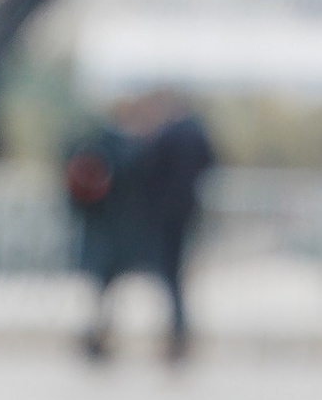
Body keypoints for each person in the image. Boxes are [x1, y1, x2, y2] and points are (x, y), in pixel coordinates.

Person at [70, 90, 217, 361]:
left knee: (118, 282)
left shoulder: (115, 142)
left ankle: (104, 336)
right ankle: (173, 338)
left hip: (133, 224)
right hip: (147, 223)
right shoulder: (173, 137)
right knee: (165, 281)